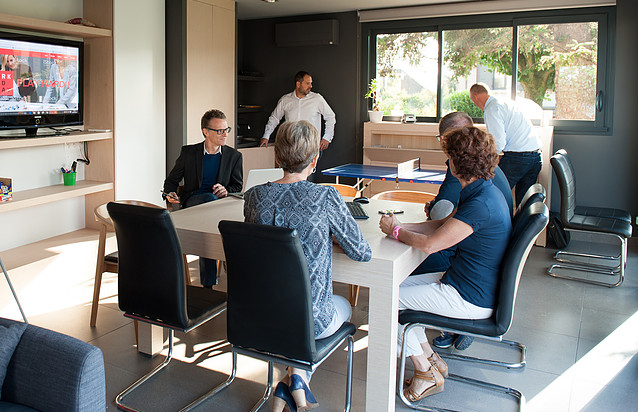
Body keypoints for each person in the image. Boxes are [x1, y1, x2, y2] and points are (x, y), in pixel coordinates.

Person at [244, 120, 371, 412]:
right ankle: (297, 381)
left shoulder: (253, 197)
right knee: (342, 308)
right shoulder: (325, 196)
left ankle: (293, 381)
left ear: (277, 158)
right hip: (312, 322)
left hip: (261, 317)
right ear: (315, 160)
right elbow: (361, 252)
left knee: (287, 314)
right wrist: (330, 235)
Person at [379, 126, 511, 403]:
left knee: (386, 303)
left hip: (470, 296)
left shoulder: (480, 204)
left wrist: (396, 232)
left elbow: (431, 244)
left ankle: (425, 372)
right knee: (393, 288)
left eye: (448, 156)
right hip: (465, 281)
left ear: (456, 163)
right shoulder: (482, 190)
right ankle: (429, 359)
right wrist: (401, 225)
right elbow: (442, 225)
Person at [415, 111, 513, 351]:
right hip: (484, 266)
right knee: (400, 284)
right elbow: (449, 215)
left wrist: (398, 232)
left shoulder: (475, 192)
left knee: (412, 265)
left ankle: (446, 330)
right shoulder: (488, 178)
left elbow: (442, 220)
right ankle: (430, 359)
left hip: (470, 284)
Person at [163, 109, 243, 288]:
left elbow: (237, 187)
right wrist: (170, 194)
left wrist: (226, 191)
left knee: (224, 218)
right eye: (219, 130)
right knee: (208, 200)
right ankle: (210, 282)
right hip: (194, 203)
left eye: (226, 129)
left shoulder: (234, 156)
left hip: (219, 207)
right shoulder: (189, 153)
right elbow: (171, 181)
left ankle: (220, 280)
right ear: (205, 132)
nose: (225, 134)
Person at [469, 83, 541, 208]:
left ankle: (495, 226)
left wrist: (485, 161)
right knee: (525, 203)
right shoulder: (506, 103)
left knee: (494, 193)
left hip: (518, 158)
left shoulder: (492, 108)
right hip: (535, 155)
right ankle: (520, 228)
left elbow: (499, 141)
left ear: (475, 97)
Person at [260, 71, 336, 152]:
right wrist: (266, 136)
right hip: (291, 147)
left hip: (311, 148)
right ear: (298, 84)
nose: (311, 86)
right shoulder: (285, 100)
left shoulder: (317, 99)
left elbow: (330, 117)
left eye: (311, 83)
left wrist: (327, 138)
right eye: (307, 83)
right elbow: (274, 118)